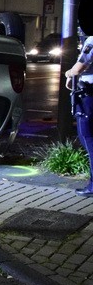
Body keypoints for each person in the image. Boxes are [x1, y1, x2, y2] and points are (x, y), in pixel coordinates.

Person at [65, 30, 93, 196]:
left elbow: (78, 68)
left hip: (89, 95)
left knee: (88, 139)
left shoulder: (91, 41)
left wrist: (69, 74)